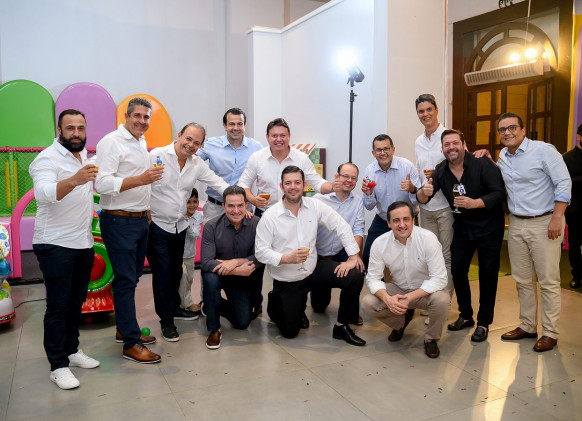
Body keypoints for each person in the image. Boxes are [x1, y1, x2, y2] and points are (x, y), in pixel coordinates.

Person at [476, 112, 571, 352]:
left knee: (548, 281)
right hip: (517, 223)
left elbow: (564, 182)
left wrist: (557, 217)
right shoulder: (504, 156)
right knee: (522, 280)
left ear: (523, 129)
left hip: (545, 221)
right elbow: (504, 180)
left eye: (512, 128)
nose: (507, 132)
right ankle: (528, 326)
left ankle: (550, 332)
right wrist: (489, 160)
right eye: (502, 129)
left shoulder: (543, 150)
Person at [255, 166, 366, 345]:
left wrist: (353, 256)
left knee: (355, 275)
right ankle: (277, 303)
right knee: (290, 332)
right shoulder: (270, 216)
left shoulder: (314, 205)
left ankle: (342, 326)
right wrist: (286, 259)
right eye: (288, 183)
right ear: (281, 186)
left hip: (313, 270)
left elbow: (341, 225)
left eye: (297, 182)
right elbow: (260, 252)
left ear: (304, 185)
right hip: (288, 279)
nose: (293, 187)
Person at [30, 109, 101, 389]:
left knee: (76, 301)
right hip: (55, 243)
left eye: (81, 128)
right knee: (58, 306)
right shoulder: (46, 159)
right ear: (59, 130)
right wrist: (76, 179)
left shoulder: (83, 156)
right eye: (70, 128)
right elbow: (43, 194)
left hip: (83, 242)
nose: (76, 133)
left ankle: (71, 350)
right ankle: (57, 365)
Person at [417, 129, 506, 343]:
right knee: (457, 269)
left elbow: (499, 193)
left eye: (455, 143)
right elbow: (423, 197)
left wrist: (475, 203)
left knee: (487, 274)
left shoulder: (482, 163)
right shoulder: (441, 170)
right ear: (442, 149)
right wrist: (423, 192)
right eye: (447, 144)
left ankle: (483, 322)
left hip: (489, 227)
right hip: (463, 227)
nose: (451, 148)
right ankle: (466, 315)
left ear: (464, 144)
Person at [95, 97, 163, 364]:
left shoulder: (139, 141)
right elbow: (102, 183)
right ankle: (131, 344)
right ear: (126, 116)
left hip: (139, 220)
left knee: (131, 279)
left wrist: (146, 209)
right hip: (119, 221)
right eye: (137, 116)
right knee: (125, 281)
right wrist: (140, 179)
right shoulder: (111, 142)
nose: (142, 121)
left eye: (146, 117)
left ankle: (124, 329)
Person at [147, 123, 229, 342]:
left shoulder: (196, 164)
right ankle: (166, 322)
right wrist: (144, 209)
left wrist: (238, 196)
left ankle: (174, 308)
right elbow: (143, 183)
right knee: (163, 275)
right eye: (188, 139)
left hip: (179, 226)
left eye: (197, 143)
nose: (191, 145)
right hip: (157, 225)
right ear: (179, 135)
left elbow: (217, 182)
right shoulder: (157, 155)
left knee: (176, 272)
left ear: (201, 145)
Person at [360, 201, 450, 358]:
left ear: (413, 220)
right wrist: (388, 299)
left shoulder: (428, 238)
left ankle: (431, 339)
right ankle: (400, 322)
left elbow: (440, 279)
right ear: (388, 223)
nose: (402, 225)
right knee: (368, 303)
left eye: (406, 219)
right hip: (399, 289)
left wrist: (409, 297)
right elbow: (373, 278)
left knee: (442, 300)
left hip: (425, 292)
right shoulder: (379, 243)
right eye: (396, 220)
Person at [201, 186, 265, 350]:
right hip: (221, 275)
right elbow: (206, 262)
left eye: (240, 205)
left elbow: (260, 256)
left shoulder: (256, 224)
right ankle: (214, 329)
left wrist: (235, 262)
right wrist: (236, 269)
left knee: (242, 322)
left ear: (246, 205)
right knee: (210, 277)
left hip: (243, 278)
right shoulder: (211, 226)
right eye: (230, 206)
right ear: (223, 206)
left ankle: (210, 304)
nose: (236, 211)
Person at [238, 118, 335, 216]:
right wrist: (253, 200)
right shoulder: (257, 158)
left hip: (294, 214)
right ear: (267, 137)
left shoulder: (301, 158)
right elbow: (243, 184)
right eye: (274, 136)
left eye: (283, 135)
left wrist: (333, 187)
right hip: (264, 213)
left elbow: (317, 183)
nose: (279, 139)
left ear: (289, 136)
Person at [410, 94, 453, 293]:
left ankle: (444, 301)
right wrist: (418, 194)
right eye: (421, 111)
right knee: (429, 256)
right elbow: (419, 170)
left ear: (436, 110)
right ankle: (432, 298)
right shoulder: (418, 141)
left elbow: (461, 163)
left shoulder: (448, 136)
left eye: (429, 109)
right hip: (426, 208)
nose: (425, 114)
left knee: (446, 256)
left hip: (446, 206)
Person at [312, 162, 365, 325]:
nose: (349, 180)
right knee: (318, 307)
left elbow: (358, 230)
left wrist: (354, 256)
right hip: (318, 256)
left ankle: (350, 314)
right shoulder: (319, 198)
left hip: (340, 251)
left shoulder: (357, 201)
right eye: (345, 176)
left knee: (357, 270)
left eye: (353, 178)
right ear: (337, 176)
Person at [361, 134, 421, 268]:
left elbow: (418, 201)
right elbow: (369, 206)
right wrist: (368, 194)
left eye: (386, 149)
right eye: (379, 150)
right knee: (368, 257)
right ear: (373, 153)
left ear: (393, 149)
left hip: (406, 220)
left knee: (413, 259)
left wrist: (412, 189)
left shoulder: (407, 167)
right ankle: (378, 281)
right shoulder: (370, 171)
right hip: (383, 219)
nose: (383, 153)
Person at [197, 108, 263, 223]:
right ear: (224, 125)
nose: (236, 128)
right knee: (211, 235)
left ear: (245, 125)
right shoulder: (210, 144)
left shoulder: (256, 147)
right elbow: (191, 159)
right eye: (232, 124)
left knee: (245, 235)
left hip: (243, 208)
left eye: (240, 124)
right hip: (215, 207)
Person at [178, 188, 203, 313]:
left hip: (190, 254)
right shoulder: (179, 215)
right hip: (178, 254)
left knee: (189, 279)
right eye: (188, 202)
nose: (192, 205)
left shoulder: (197, 216)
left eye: (195, 201)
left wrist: (187, 227)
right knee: (183, 278)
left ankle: (183, 302)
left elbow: (197, 235)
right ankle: (186, 303)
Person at [563, 124, 582, 289]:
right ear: (578, 136)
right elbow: (564, 182)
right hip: (575, 209)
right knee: (575, 244)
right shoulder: (567, 158)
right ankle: (577, 275)